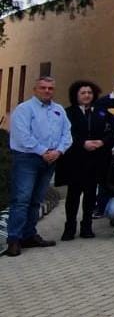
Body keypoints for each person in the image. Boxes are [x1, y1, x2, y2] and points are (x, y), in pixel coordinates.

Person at [5, 76, 72, 256]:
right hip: (27, 158)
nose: (47, 91)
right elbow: (22, 135)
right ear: (35, 89)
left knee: (36, 200)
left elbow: (67, 134)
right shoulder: (24, 109)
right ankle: (14, 239)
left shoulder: (59, 110)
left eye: (50, 88)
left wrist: (58, 151)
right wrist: (43, 151)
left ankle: (29, 235)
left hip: (50, 159)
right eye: (43, 88)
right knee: (21, 199)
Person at [59, 80, 114, 241]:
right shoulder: (68, 112)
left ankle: (87, 226)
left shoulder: (101, 111)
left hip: (95, 160)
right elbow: (65, 133)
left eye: (89, 93)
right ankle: (70, 227)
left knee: (91, 194)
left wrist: (103, 142)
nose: (86, 96)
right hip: (75, 159)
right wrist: (82, 143)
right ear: (76, 95)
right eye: (83, 93)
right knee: (73, 195)